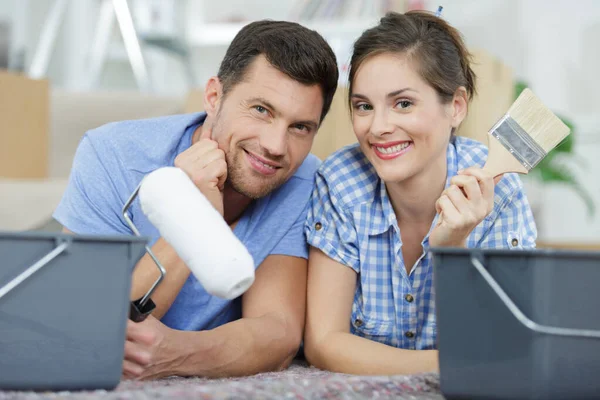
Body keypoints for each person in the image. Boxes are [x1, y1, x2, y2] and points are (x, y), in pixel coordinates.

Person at [53, 20, 338, 380]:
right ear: (213, 97)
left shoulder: (303, 179)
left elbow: (277, 333)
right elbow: (86, 330)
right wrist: (189, 213)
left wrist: (175, 354)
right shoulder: (111, 156)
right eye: (261, 110)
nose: (276, 146)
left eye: (300, 127)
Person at [303, 11, 537, 376]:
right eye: (364, 106)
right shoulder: (340, 181)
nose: (378, 128)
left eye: (403, 103)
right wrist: (446, 363)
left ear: (456, 106)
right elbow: (323, 342)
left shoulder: (500, 188)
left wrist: (452, 247)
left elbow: (502, 343)